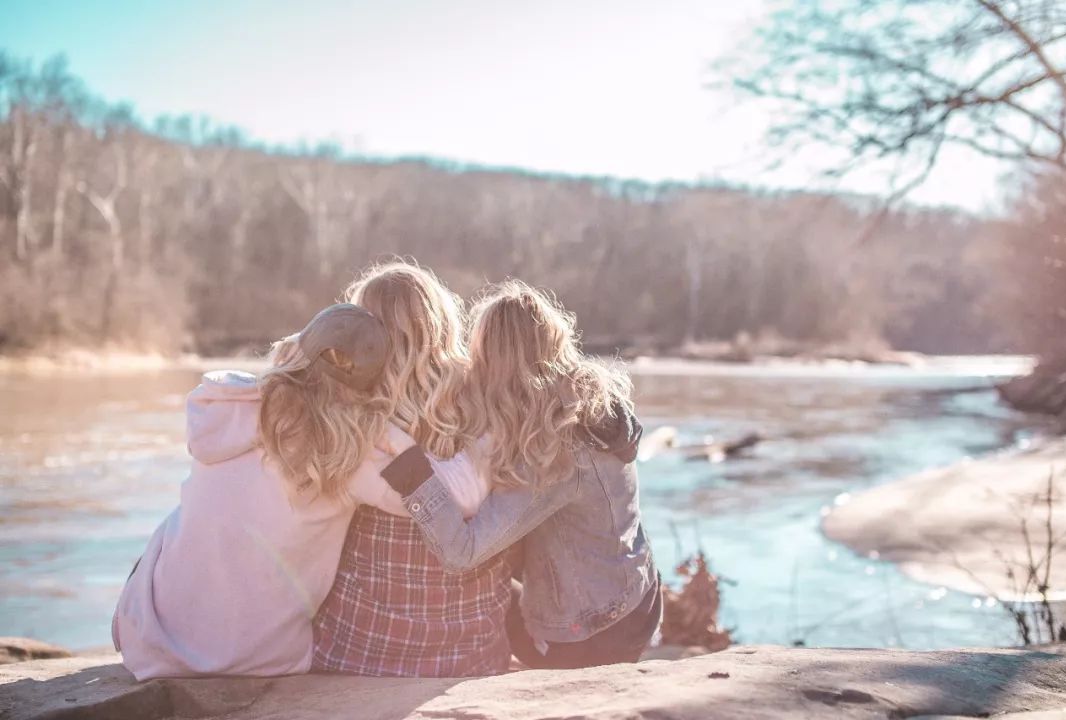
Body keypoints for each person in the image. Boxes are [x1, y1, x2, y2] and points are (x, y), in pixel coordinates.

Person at [113, 303, 421, 679]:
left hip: (150, 644)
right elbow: (424, 502)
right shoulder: (355, 453)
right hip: (263, 658)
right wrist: (394, 434)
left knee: (173, 527)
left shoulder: (229, 407)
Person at [383, 280, 661, 669]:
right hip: (636, 592)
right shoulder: (587, 400)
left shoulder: (557, 452)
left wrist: (411, 468)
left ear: (495, 366)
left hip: (594, 630)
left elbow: (462, 552)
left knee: (479, 591)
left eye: (477, 357)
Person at [312, 262, 511, 678]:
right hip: (468, 656)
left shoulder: (349, 416)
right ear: (442, 326)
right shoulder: (487, 403)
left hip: (358, 655)